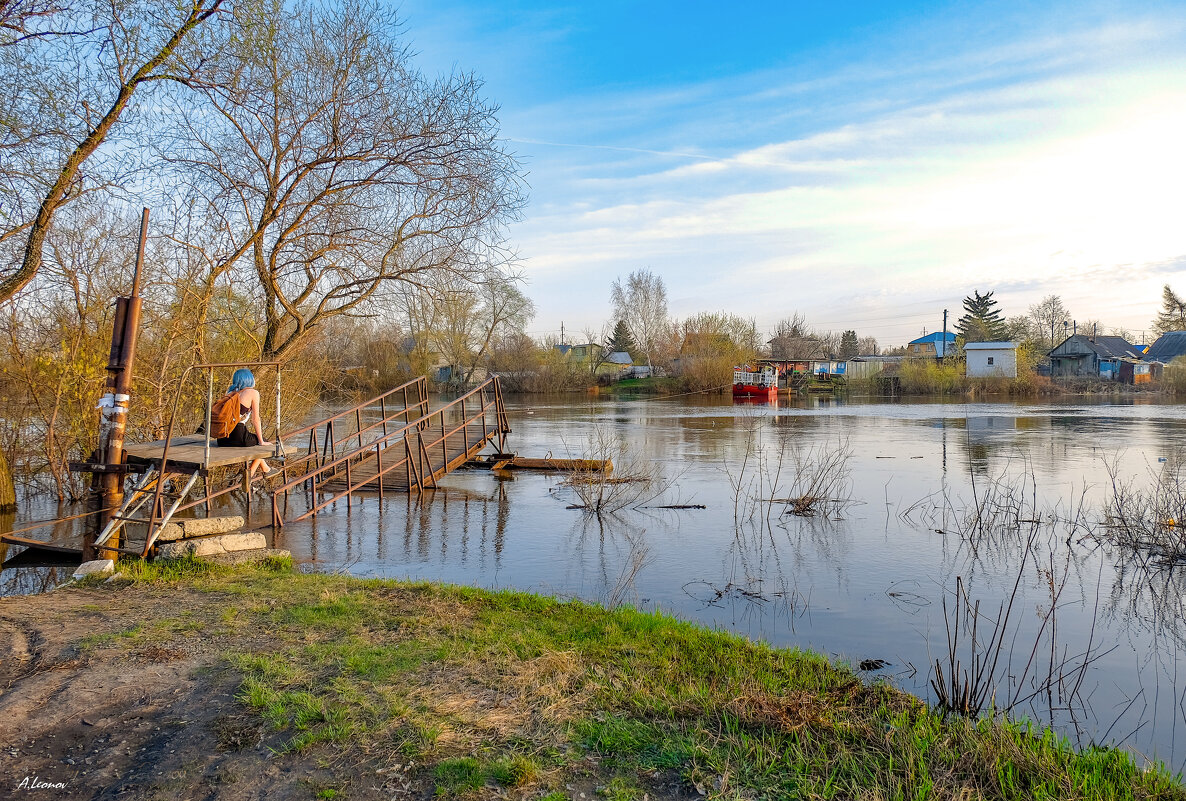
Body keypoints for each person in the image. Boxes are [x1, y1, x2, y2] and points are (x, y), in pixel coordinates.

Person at [217, 368, 272, 480]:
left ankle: (266, 468)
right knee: (263, 443)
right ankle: (249, 475)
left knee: (255, 441)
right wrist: (261, 441)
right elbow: (256, 419)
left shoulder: (230, 392)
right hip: (238, 435)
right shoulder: (252, 392)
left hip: (222, 437)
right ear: (250, 379)